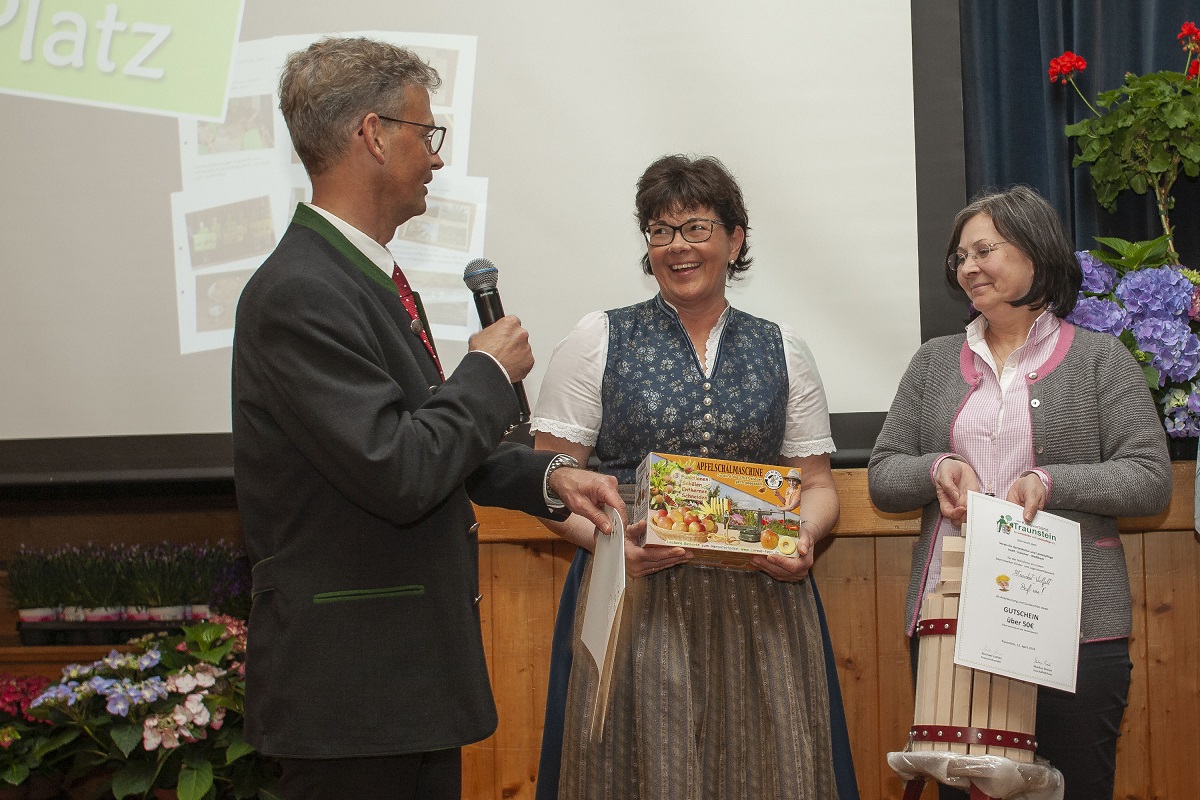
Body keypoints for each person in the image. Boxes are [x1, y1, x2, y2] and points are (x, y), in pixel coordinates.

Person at [231, 37, 624, 800]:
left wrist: (553, 478)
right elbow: (398, 468)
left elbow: (427, 442)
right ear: (373, 135)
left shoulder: (359, 275)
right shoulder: (300, 292)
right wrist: (484, 372)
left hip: (400, 685)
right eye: (426, 133)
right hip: (353, 690)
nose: (437, 159)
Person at [531, 154, 859, 800]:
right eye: (661, 230)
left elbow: (817, 485)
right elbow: (546, 481)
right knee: (637, 774)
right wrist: (613, 545)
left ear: (734, 241)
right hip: (638, 597)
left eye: (696, 228)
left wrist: (803, 540)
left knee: (771, 770)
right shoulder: (598, 338)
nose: (678, 247)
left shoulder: (783, 347)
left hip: (760, 601)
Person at [867, 186, 1172, 800]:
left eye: (985, 249)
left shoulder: (1099, 360)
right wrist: (937, 468)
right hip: (951, 618)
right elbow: (882, 473)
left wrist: (1053, 482)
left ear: (1035, 251)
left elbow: (1149, 478)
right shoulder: (932, 363)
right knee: (961, 790)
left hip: (1079, 625)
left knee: (1078, 787)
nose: (969, 266)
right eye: (960, 256)